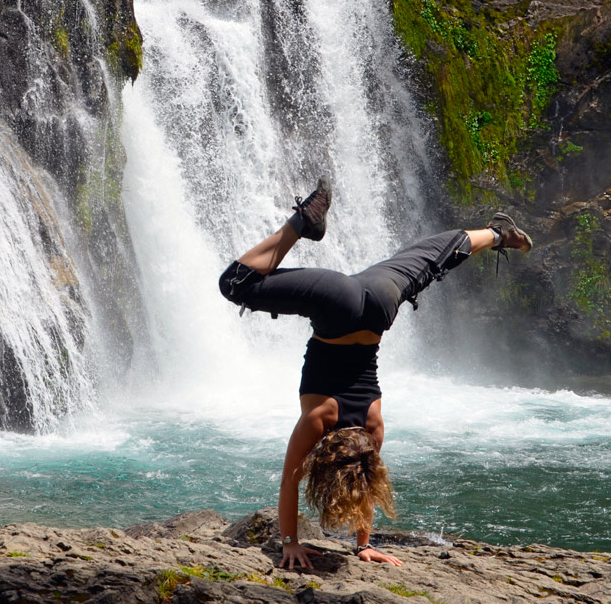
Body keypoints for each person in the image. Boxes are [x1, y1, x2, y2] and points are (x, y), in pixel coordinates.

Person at [217, 176, 532, 570]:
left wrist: (362, 544)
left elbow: (366, 485)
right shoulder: (319, 420)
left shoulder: (373, 426)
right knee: (234, 284)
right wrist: (290, 543)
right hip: (338, 305)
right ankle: (302, 223)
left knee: (434, 258)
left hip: (381, 303)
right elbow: (289, 484)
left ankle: (498, 235)